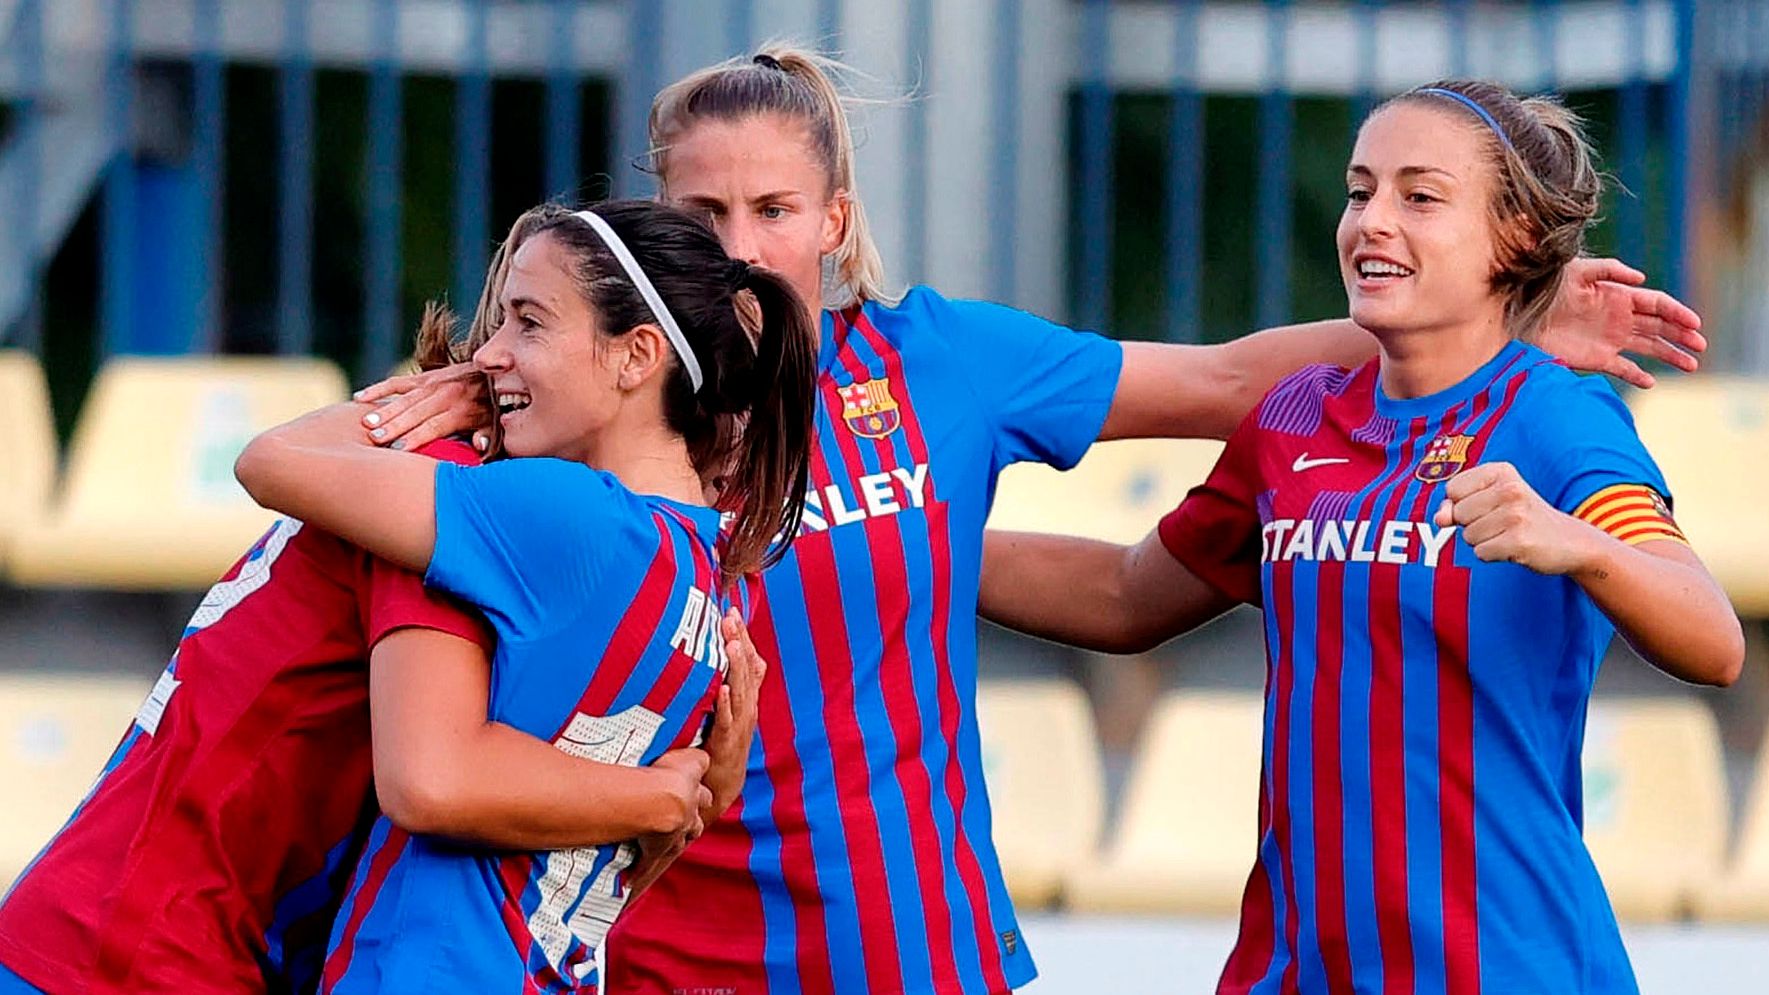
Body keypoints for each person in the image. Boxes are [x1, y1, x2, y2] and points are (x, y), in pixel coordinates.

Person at [356, 49, 1708, 995]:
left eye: (772, 208)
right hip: (660, 936)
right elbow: (1127, 592)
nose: (740, 242)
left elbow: (1229, 378)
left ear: (832, 217)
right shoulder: (599, 395)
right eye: (701, 212)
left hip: (918, 947)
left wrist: (1516, 332)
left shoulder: (941, 361)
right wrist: (440, 397)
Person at [980, 81, 1743, 994]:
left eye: (1419, 196)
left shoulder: (1556, 415)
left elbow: (1714, 638)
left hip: (1508, 964)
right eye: (1358, 190)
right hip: (1294, 966)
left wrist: (1579, 544)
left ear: (1517, 240)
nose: (1371, 220)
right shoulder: (1293, 419)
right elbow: (1124, 596)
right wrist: (911, 546)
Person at [0, 292, 759, 995]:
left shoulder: (607, 552)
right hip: (133, 950)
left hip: (169, 937)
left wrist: (694, 796)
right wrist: (661, 794)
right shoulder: (452, 498)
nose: (497, 355)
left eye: (529, 325)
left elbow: (564, 862)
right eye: (508, 324)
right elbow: (433, 781)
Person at [232, 198, 818, 994]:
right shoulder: (710, 585)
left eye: (529, 323)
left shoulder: (564, 516)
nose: (489, 355)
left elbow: (270, 463)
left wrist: (435, 398)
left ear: (636, 355)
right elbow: (651, 837)